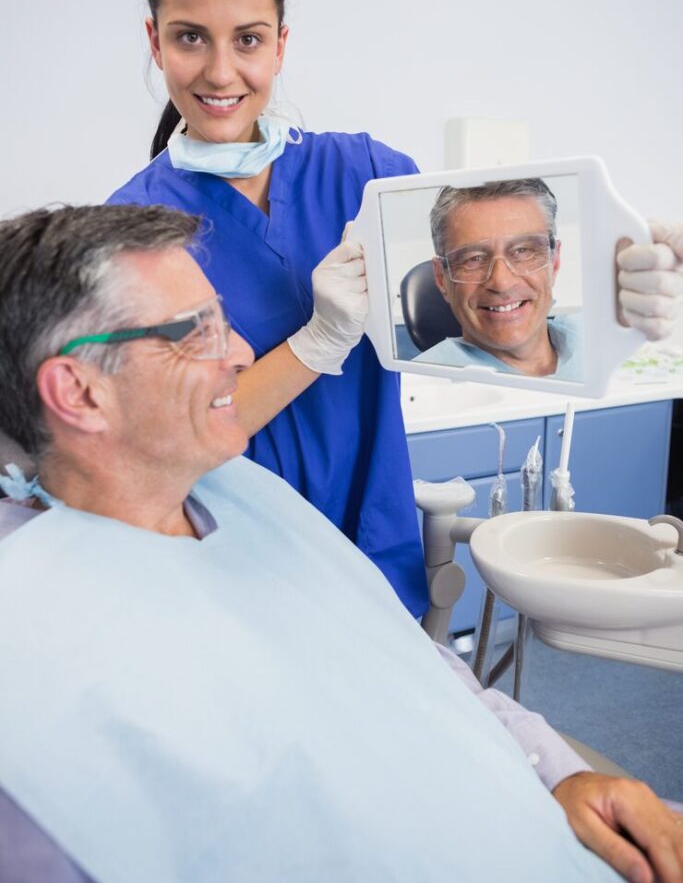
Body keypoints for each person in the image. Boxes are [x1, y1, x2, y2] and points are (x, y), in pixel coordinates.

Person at [0, 203, 681, 883]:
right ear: (79, 391)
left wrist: (555, 772)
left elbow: (412, 663)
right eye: (196, 331)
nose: (239, 354)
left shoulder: (245, 494)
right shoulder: (41, 649)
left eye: (225, 319)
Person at [105, 0, 429, 618]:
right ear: (155, 42)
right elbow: (175, 440)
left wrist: (610, 273)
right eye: (191, 37)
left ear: (280, 46)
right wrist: (316, 344)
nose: (221, 72)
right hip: (231, 575)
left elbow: (487, 303)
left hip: (372, 552)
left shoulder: (369, 175)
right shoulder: (127, 230)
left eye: (247, 39)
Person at [413, 178, 583, 378]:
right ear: (442, 278)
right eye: (474, 259)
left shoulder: (604, 341)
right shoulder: (418, 386)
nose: (502, 283)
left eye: (523, 251)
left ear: (554, 262)